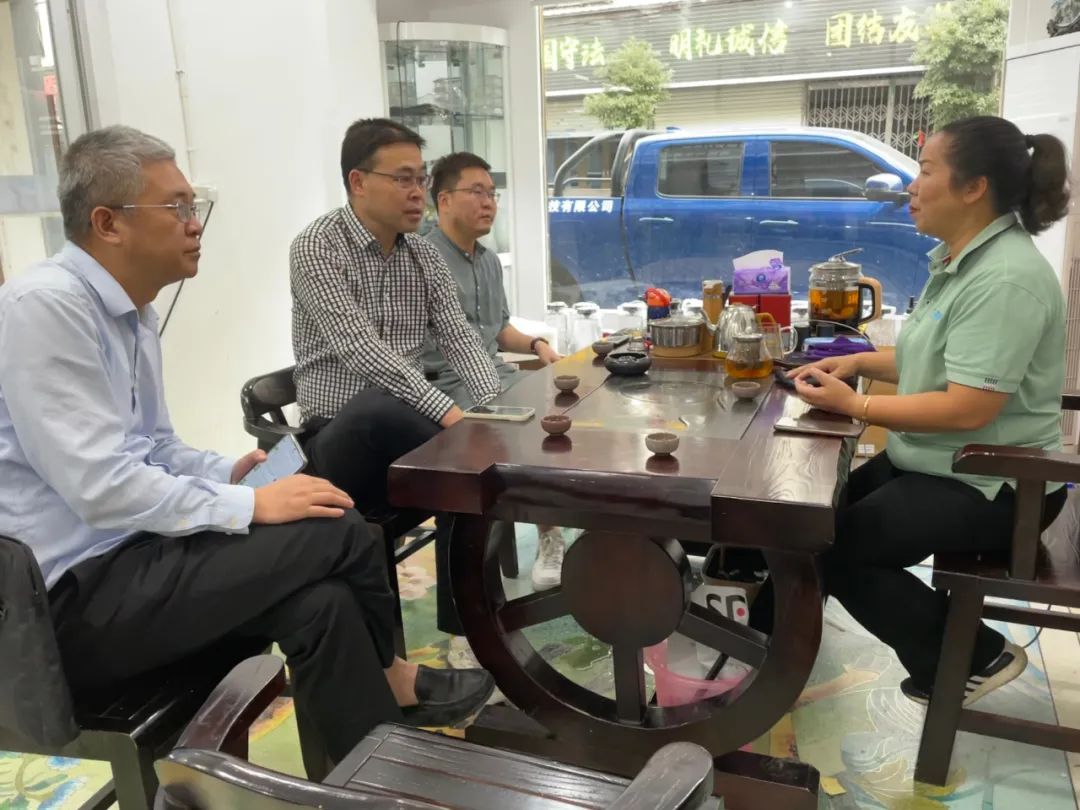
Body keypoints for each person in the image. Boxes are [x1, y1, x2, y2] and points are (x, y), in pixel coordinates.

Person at [0, 126, 493, 771]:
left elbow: (153, 445)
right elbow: (101, 486)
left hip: (135, 557)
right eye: (177, 207)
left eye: (193, 205)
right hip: (68, 602)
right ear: (107, 223)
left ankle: (359, 781)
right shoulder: (46, 308)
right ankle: (393, 675)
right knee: (340, 528)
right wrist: (249, 505)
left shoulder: (133, 313)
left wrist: (228, 470)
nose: (194, 223)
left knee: (322, 604)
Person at [754, 115, 1071, 706]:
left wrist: (858, 404)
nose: (911, 186)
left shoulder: (1005, 278)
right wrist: (858, 362)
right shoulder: (963, 261)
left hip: (997, 484)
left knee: (837, 547)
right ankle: (765, 650)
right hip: (938, 461)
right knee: (806, 516)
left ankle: (976, 655)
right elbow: (936, 361)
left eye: (926, 171)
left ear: (973, 187)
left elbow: (968, 407)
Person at [289, 119, 502, 650]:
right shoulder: (317, 247)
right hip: (337, 437)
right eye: (403, 178)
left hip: (405, 431)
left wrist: (493, 408)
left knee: (473, 463)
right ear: (358, 182)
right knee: (382, 409)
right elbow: (362, 351)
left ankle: (470, 635)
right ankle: (469, 633)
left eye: (420, 178)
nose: (417, 192)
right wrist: (453, 416)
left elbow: (459, 338)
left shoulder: (422, 255)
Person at [421, 152, 568, 597]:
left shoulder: (486, 260)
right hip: (445, 385)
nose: (489, 202)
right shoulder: (422, 258)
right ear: (444, 200)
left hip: (493, 374)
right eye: (477, 192)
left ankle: (556, 531)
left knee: (563, 412)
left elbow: (499, 329)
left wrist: (539, 346)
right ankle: (534, 535)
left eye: (492, 193)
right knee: (526, 428)